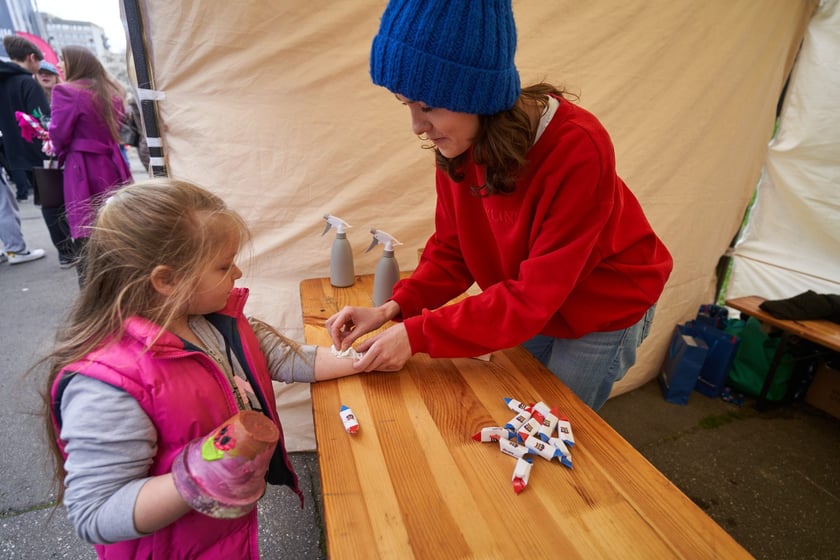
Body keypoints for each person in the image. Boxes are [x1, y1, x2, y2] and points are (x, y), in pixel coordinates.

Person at [325, 0, 674, 411]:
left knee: (551, 421)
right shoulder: (459, 142)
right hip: (534, 300)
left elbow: (531, 299)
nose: (417, 127)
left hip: (604, 302)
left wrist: (417, 335)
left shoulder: (579, 148)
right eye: (407, 105)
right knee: (514, 406)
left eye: (427, 107)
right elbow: (455, 248)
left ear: (475, 94)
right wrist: (392, 308)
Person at [42, 179, 395, 559]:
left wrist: (361, 358)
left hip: (222, 537)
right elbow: (94, 513)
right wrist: (197, 476)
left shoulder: (214, 321)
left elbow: (288, 358)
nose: (238, 273)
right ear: (167, 280)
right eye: (224, 265)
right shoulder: (108, 387)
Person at [49, 45, 133, 280]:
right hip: (113, 163)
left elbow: (59, 133)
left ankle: (95, 287)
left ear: (75, 63)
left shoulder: (66, 91)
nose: (59, 65)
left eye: (62, 60)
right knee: (117, 221)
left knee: (87, 227)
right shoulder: (112, 91)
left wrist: (58, 150)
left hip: (83, 166)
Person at [0, 35, 48, 264]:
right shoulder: (27, 82)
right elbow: (42, 118)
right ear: (31, 57)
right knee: (51, 199)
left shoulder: (2, 81)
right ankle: (66, 250)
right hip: (37, 149)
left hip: (10, 151)